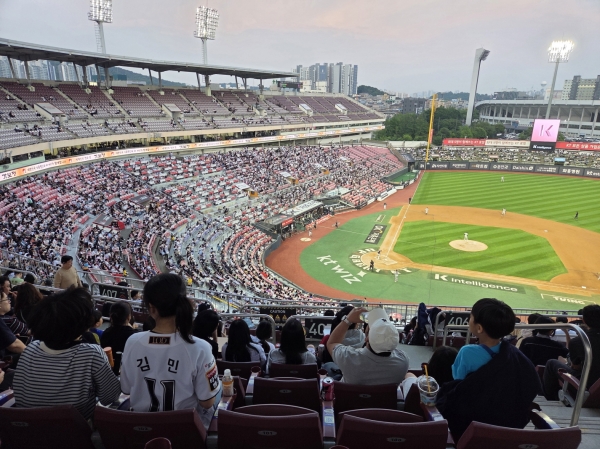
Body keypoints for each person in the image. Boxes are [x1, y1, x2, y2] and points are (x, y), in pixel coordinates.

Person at [120, 273, 221, 428]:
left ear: (151, 308)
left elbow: (126, 388)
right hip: (183, 432)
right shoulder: (201, 347)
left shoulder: (132, 342)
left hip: (142, 430)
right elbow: (207, 402)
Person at [436, 298, 541, 440]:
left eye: (471, 317)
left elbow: (459, 387)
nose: (469, 320)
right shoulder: (516, 355)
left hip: (470, 428)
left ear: (479, 328)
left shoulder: (467, 352)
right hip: (506, 429)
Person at [12, 288, 120, 420]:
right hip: (75, 429)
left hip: (30, 426)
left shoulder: (30, 349)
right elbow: (110, 397)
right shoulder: (92, 353)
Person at [327, 307, 408, 385]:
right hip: (385, 395)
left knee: (328, 366)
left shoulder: (348, 358)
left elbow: (332, 343)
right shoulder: (403, 361)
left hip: (348, 394)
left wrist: (347, 320)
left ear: (367, 339)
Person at [543, 305, 600, 400]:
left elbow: (575, 367)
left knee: (551, 363)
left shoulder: (579, 341)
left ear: (584, 320)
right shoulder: (580, 341)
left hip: (586, 386)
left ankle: (551, 399)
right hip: (595, 387)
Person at [101, 301, 138, 375]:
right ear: (129, 317)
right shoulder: (134, 336)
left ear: (111, 317)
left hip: (107, 372)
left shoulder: (106, 333)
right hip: (128, 373)